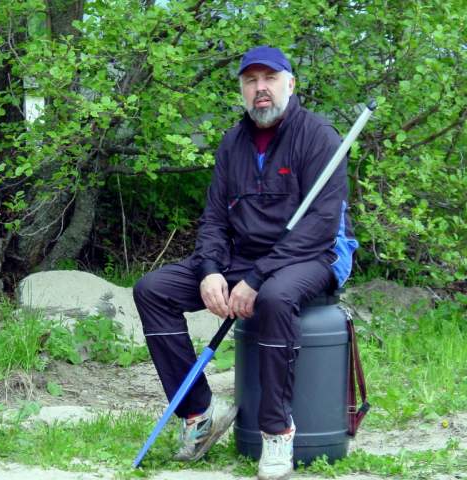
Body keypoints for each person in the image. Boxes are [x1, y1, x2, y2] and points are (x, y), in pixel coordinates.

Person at [133, 46, 357, 480]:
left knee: (274, 297)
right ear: (242, 89)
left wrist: (255, 279)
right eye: (251, 81)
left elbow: (321, 226)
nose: (261, 89)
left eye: (270, 79)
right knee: (153, 291)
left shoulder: (319, 137)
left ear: (290, 84)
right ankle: (198, 413)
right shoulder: (232, 144)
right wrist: (210, 271)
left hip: (314, 254)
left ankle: (277, 432)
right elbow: (215, 220)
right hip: (247, 256)